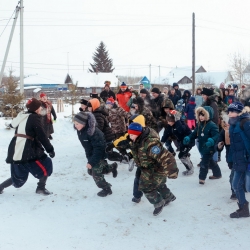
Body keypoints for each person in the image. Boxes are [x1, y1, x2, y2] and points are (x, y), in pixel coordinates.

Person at [0, 98, 55, 195]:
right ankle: (40, 188)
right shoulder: (34, 117)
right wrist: (50, 149)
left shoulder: (22, 115)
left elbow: (12, 125)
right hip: (28, 149)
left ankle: (0, 187)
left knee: (19, 176)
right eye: (39, 107)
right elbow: (42, 135)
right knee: (46, 164)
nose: (40, 108)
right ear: (36, 108)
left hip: (16, 148)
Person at [128, 122, 179, 216]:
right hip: (146, 167)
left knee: (145, 186)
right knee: (158, 184)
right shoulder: (137, 139)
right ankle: (168, 197)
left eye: (132, 134)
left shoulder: (150, 144)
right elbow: (138, 151)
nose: (130, 136)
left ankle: (158, 203)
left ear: (138, 133)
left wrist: (172, 171)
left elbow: (166, 156)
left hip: (156, 168)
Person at [74, 111, 118, 197]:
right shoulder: (80, 130)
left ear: (84, 123)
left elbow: (99, 149)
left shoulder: (93, 132)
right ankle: (112, 167)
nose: (75, 125)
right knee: (92, 171)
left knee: (96, 173)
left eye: (77, 123)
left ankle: (106, 189)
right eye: (75, 123)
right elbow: (88, 146)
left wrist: (91, 162)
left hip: (100, 153)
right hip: (91, 153)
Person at [183, 106, 222, 184]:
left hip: (210, 147)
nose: (201, 117)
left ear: (208, 115)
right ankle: (217, 174)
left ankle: (202, 178)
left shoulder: (212, 125)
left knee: (204, 163)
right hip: (203, 146)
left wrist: (212, 140)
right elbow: (194, 133)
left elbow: (217, 135)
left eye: (203, 115)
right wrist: (189, 137)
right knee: (210, 161)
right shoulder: (200, 124)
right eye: (200, 115)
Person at [227, 102, 250, 218]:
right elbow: (234, 146)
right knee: (236, 184)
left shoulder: (245, 123)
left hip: (246, 160)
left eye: (232, 111)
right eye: (229, 112)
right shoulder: (233, 125)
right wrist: (230, 159)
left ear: (239, 112)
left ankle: (243, 208)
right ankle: (243, 208)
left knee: (238, 184)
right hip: (239, 160)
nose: (230, 114)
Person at [161, 110, 195, 175]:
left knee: (181, 156)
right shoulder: (170, 126)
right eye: (167, 121)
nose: (168, 123)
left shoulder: (181, 123)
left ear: (175, 120)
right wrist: (162, 142)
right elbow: (166, 134)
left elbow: (181, 130)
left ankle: (190, 169)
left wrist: (177, 121)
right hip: (182, 143)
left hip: (188, 141)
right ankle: (188, 162)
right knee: (183, 154)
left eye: (170, 121)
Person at [216, 112, 236, 200]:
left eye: (229, 123)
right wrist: (219, 145)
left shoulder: (239, 129)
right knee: (234, 175)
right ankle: (235, 190)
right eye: (226, 123)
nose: (227, 125)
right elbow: (219, 141)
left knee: (235, 176)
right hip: (230, 158)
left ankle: (235, 191)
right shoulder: (224, 132)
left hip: (241, 157)